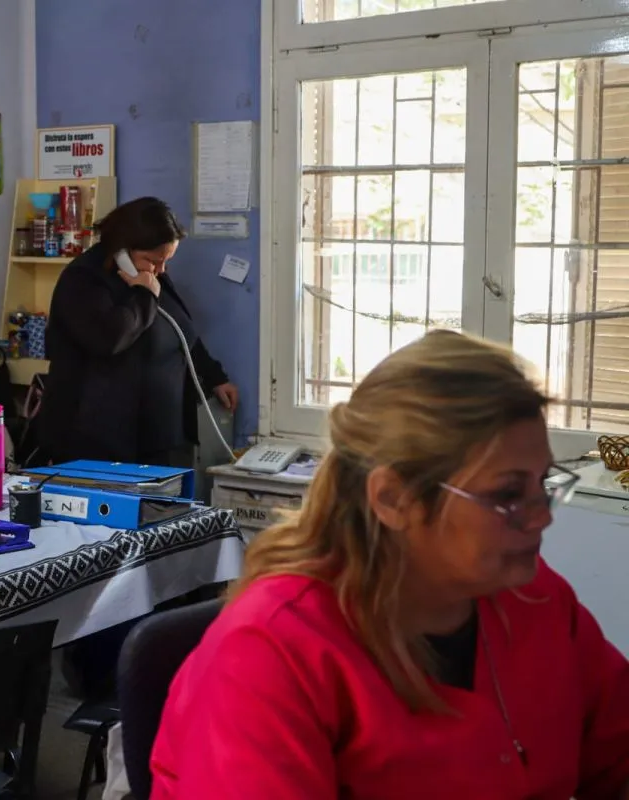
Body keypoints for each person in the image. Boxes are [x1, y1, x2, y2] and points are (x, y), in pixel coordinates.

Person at [151, 330, 629, 799]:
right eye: (508, 493)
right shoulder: (269, 657)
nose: (543, 516)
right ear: (394, 499)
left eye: (543, 483)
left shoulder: (535, 599)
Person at [37, 196, 237, 468]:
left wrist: (214, 376)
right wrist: (144, 295)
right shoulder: (83, 280)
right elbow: (110, 338)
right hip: (100, 438)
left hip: (159, 434)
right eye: (153, 260)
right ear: (122, 249)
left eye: (165, 261)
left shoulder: (150, 275)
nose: (160, 270)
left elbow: (180, 330)